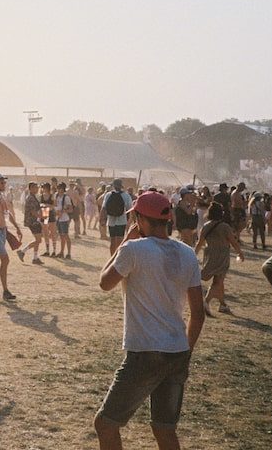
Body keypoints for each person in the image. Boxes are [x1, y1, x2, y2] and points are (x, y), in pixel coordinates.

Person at [94, 190, 205, 450]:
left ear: (141, 220)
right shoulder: (187, 253)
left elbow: (104, 282)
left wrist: (123, 243)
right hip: (177, 349)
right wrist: (186, 351)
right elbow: (198, 313)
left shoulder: (133, 250)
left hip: (146, 351)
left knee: (106, 424)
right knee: (164, 429)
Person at [194, 202, 244, 316]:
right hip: (222, 255)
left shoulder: (206, 226)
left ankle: (223, 305)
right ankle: (206, 302)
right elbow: (233, 242)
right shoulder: (225, 227)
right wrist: (240, 253)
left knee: (218, 280)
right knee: (218, 280)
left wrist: (193, 255)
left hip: (210, 254)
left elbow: (199, 243)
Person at [101, 179, 133, 256]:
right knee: (119, 240)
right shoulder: (126, 195)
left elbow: (103, 208)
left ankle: (112, 257)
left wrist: (102, 219)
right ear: (121, 186)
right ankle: (118, 257)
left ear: (113, 186)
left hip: (111, 221)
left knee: (112, 241)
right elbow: (130, 209)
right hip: (122, 221)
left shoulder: (108, 195)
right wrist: (130, 221)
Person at [17, 182, 44, 265]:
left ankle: (35, 258)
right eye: (35, 187)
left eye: (37, 187)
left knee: (38, 240)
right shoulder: (31, 198)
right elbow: (33, 212)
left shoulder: (33, 197)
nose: (37, 189)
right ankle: (22, 251)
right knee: (38, 240)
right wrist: (42, 217)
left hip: (34, 221)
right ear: (31, 188)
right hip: (33, 221)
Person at [54, 182, 75, 259]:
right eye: (59, 188)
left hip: (64, 219)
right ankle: (61, 252)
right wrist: (56, 212)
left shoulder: (66, 198)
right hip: (58, 219)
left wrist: (62, 212)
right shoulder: (56, 196)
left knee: (66, 236)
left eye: (62, 188)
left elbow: (71, 209)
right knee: (61, 236)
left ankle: (69, 253)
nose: (60, 190)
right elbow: (55, 206)